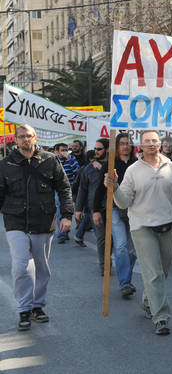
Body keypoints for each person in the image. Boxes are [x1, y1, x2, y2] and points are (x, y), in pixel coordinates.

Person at [105, 130, 172, 336]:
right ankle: (161, 317)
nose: (151, 144)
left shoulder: (171, 167)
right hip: (142, 227)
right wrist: (115, 188)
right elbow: (123, 202)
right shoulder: (132, 170)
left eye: (154, 141)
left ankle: (148, 301)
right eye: (147, 141)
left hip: (168, 225)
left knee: (162, 272)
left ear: (160, 144)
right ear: (140, 145)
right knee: (154, 274)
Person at [0, 125, 74, 331]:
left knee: (41, 268)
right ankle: (24, 308)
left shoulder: (50, 160)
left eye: (29, 136)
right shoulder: (5, 164)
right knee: (21, 266)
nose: (25, 139)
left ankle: (37, 306)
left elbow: (64, 188)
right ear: (15, 139)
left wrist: (67, 215)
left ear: (35, 137)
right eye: (21, 136)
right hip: (15, 221)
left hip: (43, 221)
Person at [94, 133, 138, 296]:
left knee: (132, 250)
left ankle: (127, 278)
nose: (126, 146)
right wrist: (96, 210)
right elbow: (99, 188)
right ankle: (125, 283)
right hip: (114, 208)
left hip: (134, 210)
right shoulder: (110, 164)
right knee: (120, 246)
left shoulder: (138, 164)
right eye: (122, 143)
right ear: (117, 146)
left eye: (128, 143)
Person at [74, 141, 108, 278]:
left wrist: (103, 169)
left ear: (107, 149)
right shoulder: (88, 169)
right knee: (101, 238)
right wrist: (78, 209)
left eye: (99, 149)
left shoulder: (114, 165)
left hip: (115, 208)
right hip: (95, 208)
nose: (96, 151)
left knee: (117, 242)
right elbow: (82, 189)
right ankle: (104, 266)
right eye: (94, 149)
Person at [54, 142, 80, 243]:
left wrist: (69, 160)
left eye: (66, 150)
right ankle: (62, 234)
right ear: (57, 151)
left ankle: (65, 229)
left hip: (70, 188)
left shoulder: (72, 158)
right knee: (60, 211)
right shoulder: (54, 160)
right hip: (58, 189)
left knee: (68, 210)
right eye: (62, 150)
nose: (65, 152)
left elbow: (77, 171)